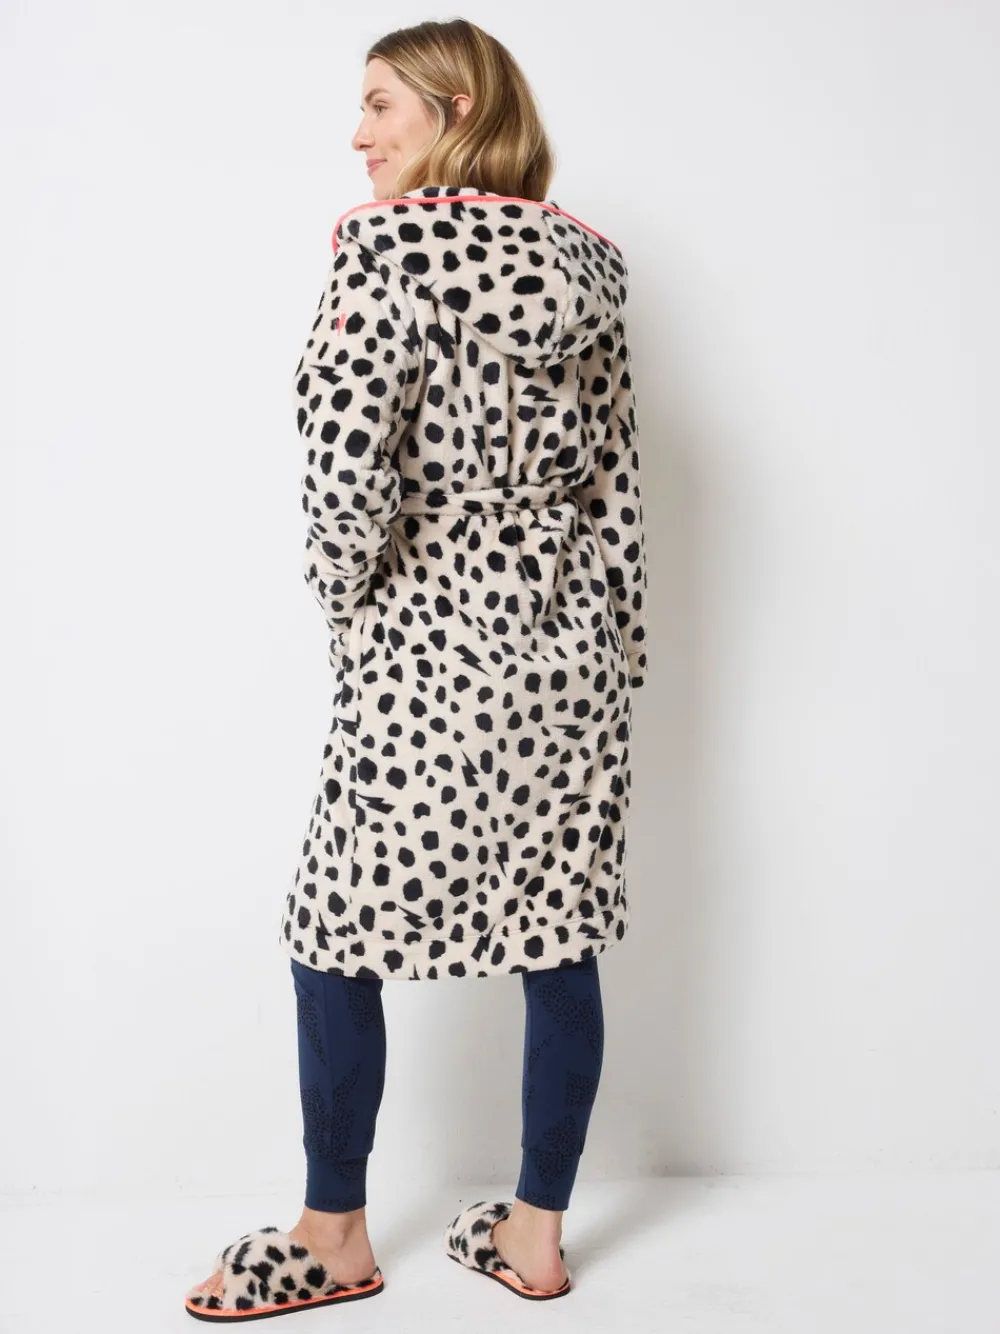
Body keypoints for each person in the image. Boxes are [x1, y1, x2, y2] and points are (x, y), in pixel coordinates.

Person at [184, 16, 647, 1320]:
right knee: (559, 934)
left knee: (334, 931)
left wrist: (354, 614)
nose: (358, 134)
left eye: (382, 104)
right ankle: (537, 1233)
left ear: (456, 110)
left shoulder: (381, 259)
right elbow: (617, 496)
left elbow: (346, 474)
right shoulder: (587, 275)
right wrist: (616, 654)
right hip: (569, 658)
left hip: (423, 655)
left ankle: (333, 1231)